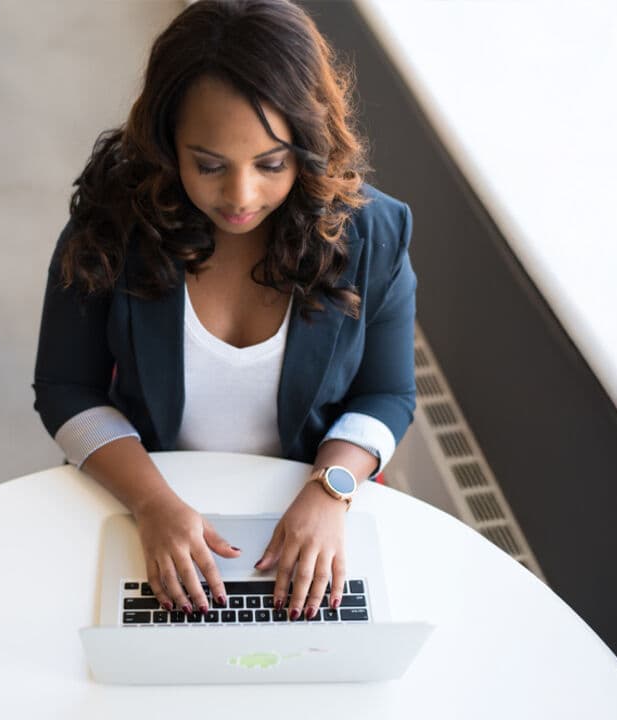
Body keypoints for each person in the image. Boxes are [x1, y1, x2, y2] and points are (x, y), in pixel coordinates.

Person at [33, 0, 416, 624]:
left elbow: (388, 395)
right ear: (166, 141)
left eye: (271, 164)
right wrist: (153, 505)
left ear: (308, 145)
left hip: (302, 512)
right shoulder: (110, 220)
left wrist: (330, 493)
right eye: (209, 165)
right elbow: (66, 388)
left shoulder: (373, 232)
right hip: (146, 502)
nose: (241, 197)